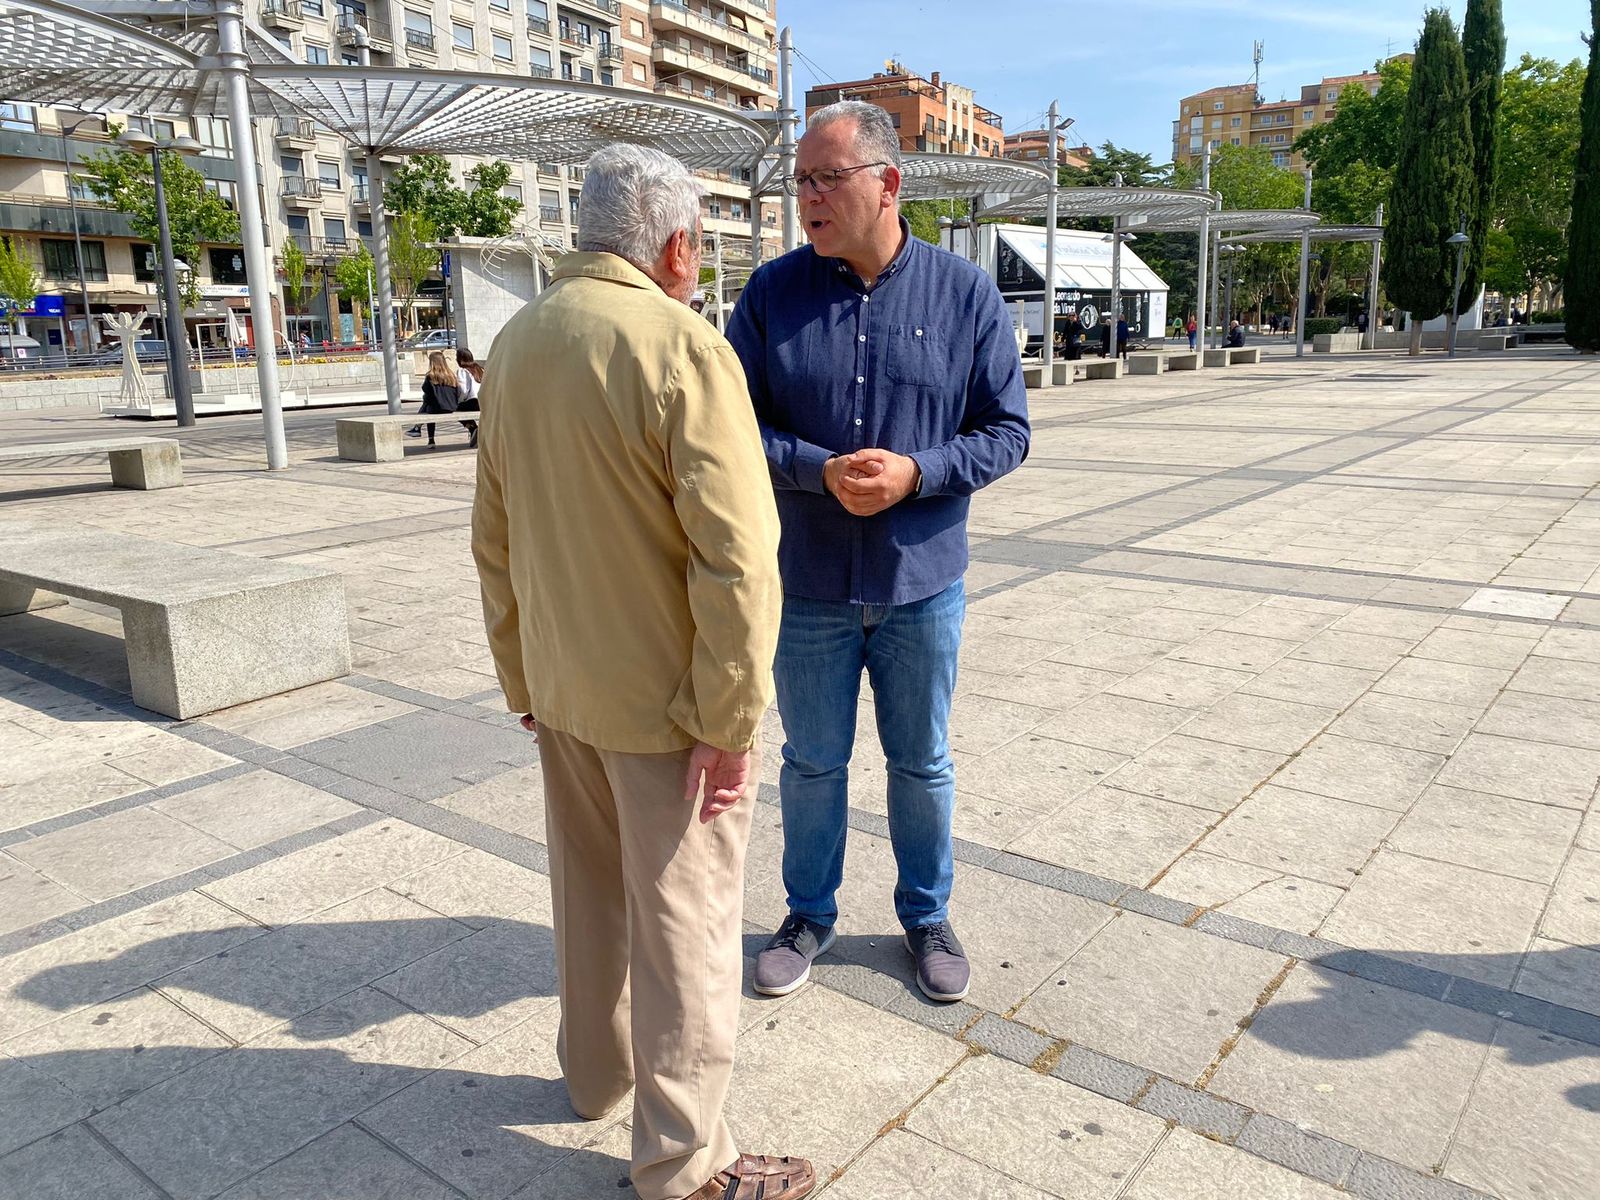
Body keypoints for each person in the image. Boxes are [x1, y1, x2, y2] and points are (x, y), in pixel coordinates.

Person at [472, 144, 810, 1200]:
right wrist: (731, 717)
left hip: (563, 688)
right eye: (696, 246)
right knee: (688, 930)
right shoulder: (682, 345)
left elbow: (493, 535)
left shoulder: (518, 342)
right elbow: (739, 557)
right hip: (669, 707)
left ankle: (595, 1076)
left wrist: (522, 676)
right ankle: (684, 1163)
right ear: (674, 246)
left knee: (589, 901)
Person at [727, 99, 1030, 1006]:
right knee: (811, 762)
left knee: (922, 763)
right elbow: (730, 426)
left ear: (888, 182)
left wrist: (918, 472)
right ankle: (807, 914)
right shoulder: (770, 295)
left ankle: (926, 915)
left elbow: (1007, 431)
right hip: (808, 584)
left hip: (920, 584)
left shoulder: (965, 294)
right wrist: (817, 470)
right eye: (801, 181)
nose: (808, 198)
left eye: (828, 179)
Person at [410, 350, 459, 446]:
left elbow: (426, 390)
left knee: (428, 404)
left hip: (436, 408)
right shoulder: (451, 375)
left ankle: (429, 438)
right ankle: (417, 428)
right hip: (451, 407)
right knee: (429, 403)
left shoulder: (430, 376)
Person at [456, 346, 482, 449]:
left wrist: (460, 400)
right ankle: (474, 431)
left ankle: (472, 428)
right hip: (482, 402)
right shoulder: (479, 369)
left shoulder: (462, 371)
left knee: (453, 409)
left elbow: (463, 390)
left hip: (472, 401)